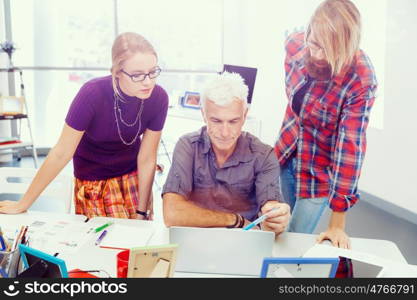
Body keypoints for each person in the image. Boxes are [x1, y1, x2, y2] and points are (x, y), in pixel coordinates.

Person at [0, 32, 168, 220]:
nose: (148, 82)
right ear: (117, 72)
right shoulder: (92, 94)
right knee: (107, 244)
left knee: (140, 239)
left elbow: (147, 157)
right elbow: (61, 153)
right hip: (94, 181)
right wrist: (23, 204)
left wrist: (141, 210)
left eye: (153, 72)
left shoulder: (159, 97)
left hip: (133, 176)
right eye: (137, 75)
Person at [275, 0, 377, 248]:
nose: (318, 56)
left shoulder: (360, 79)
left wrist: (337, 224)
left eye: (328, 50)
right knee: (279, 231)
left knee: (295, 239)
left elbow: (349, 150)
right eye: (315, 45)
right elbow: (295, 103)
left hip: (319, 173)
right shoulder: (295, 45)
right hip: (287, 154)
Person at [162, 72, 290, 234]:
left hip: (244, 242)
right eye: (216, 121)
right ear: (203, 115)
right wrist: (235, 220)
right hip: (196, 239)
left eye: (233, 121)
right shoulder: (187, 146)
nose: (224, 132)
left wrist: (276, 216)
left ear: (244, 116)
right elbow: (172, 214)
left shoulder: (263, 155)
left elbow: (271, 207)